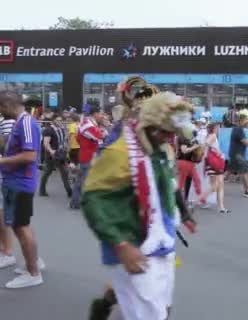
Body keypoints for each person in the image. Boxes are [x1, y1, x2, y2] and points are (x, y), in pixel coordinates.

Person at [82, 91, 198, 320]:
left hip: (162, 243)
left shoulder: (161, 150)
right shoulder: (119, 153)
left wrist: (184, 213)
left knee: (162, 310)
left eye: (171, 133)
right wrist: (121, 243)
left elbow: (169, 184)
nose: (168, 138)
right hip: (132, 246)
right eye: (164, 132)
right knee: (148, 314)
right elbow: (93, 200)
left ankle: (105, 308)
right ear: (149, 124)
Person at [0, 91, 44, 288]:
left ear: (7, 104)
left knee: (21, 227)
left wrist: (2, 160)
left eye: (0, 108)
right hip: (16, 183)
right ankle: (33, 264)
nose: (0, 113)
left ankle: (33, 272)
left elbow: (29, 156)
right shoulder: (21, 122)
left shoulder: (26, 123)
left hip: (20, 184)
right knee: (22, 226)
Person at [70, 106, 105, 209]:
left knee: (83, 181)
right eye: (101, 114)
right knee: (83, 181)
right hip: (88, 157)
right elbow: (99, 136)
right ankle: (77, 202)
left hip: (89, 155)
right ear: (95, 114)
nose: (102, 116)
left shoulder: (89, 124)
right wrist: (103, 133)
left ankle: (76, 202)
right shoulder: (87, 124)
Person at [39, 114, 72, 197]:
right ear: (53, 121)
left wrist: (66, 148)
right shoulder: (49, 130)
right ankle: (42, 190)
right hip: (51, 155)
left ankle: (69, 191)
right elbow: (45, 143)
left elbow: (64, 140)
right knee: (48, 171)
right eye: (58, 120)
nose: (60, 121)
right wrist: (51, 151)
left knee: (64, 172)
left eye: (61, 120)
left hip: (60, 154)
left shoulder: (61, 129)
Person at [201, 123, 230, 214]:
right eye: (217, 127)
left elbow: (205, 146)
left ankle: (220, 206)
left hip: (211, 162)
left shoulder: (209, 135)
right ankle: (202, 199)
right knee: (218, 185)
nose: (219, 129)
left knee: (216, 185)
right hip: (215, 162)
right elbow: (206, 145)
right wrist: (217, 152)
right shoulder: (213, 136)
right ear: (214, 128)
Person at [229, 114, 248, 198]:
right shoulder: (239, 130)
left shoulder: (237, 129)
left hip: (236, 153)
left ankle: (247, 190)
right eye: (247, 120)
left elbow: (243, 141)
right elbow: (245, 142)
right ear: (242, 121)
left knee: (242, 172)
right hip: (238, 154)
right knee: (245, 172)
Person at [0, 112, 16, 269]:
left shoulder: (6, 121)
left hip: (4, 172)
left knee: (2, 214)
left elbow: (7, 146)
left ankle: (8, 251)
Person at [176, 129, 205, 204]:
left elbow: (198, 149)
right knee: (181, 183)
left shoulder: (191, 138)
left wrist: (199, 149)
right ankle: (177, 200)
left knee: (196, 181)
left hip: (190, 163)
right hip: (183, 162)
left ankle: (202, 200)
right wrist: (194, 147)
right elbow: (184, 151)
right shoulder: (182, 138)